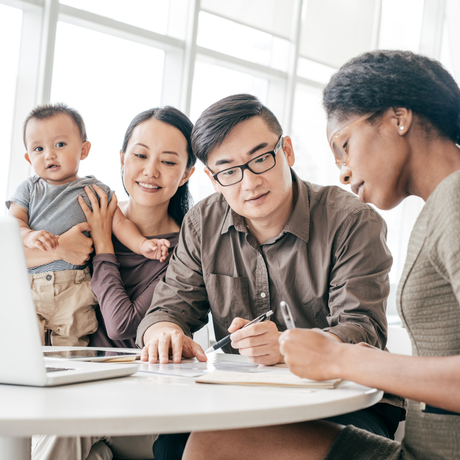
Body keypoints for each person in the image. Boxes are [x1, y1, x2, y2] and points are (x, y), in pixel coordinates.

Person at [184, 50, 460, 460]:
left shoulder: (454, 199)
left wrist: (338, 356)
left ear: (398, 118)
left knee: (215, 440)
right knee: (212, 438)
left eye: (344, 144)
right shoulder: (440, 207)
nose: (343, 170)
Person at [137, 94, 405, 442]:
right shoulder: (202, 223)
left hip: (343, 400)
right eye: (229, 171)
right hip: (244, 398)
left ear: (287, 152)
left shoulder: (351, 221)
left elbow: (363, 329)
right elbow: (168, 308)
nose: (249, 183)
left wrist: (286, 347)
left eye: (261, 159)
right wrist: (164, 335)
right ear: (213, 179)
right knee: (172, 445)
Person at [32, 106, 196, 460]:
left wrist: (104, 244)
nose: (150, 171)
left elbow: (122, 324)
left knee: (67, 427)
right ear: (122, 159)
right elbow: (22, 261)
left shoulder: (184, 249)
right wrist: (59, 246)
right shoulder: (91, 211)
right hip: (73, 386)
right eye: (140, 155)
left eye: (168, 162)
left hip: (141, 406)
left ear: (186, 174)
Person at [6, 103, 170, 347]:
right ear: (29, 157)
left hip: (76, 288)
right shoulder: (29, 189)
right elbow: (14, 224)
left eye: (60, 145)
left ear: (83, 150)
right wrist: (28, 236)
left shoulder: (95, 191)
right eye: (38, 149)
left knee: (71, 350)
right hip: (32, 287)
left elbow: (119, 223)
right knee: (24, 347)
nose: (49, 154)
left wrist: (143, 245)